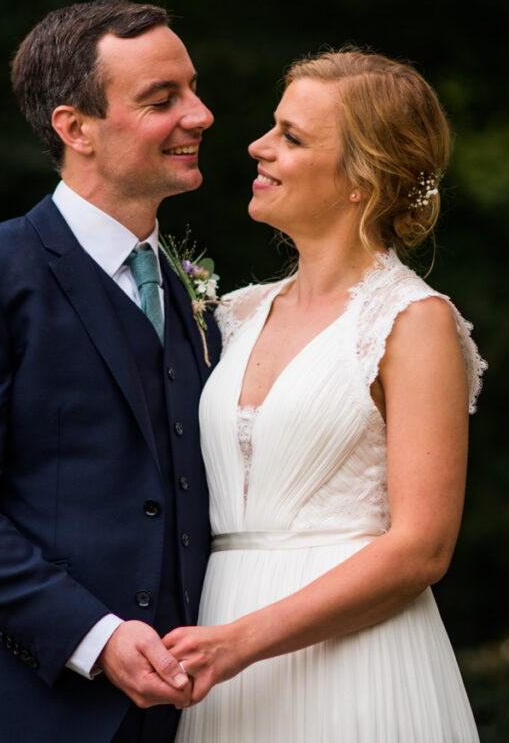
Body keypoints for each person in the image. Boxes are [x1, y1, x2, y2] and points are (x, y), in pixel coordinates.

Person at [0, 0, 221, 743]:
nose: (199, 116)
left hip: (179, 711)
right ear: (75, 128)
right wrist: (96, 635)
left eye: (194, 90)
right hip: (16, 708)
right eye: (161, 100)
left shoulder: (188, 287)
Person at [165, 49, 486, 742]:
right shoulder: (238, 316)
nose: (258, 145)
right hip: (220, 662)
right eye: (273, 127)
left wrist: (244, 640)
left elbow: (422, 549)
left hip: (353, 661)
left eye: (292, 136)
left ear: (360, 181)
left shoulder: (413, 321)